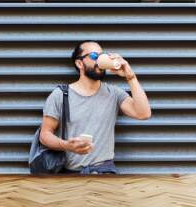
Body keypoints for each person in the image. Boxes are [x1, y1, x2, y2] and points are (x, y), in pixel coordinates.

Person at [39, 40, 151, 174]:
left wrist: (130, 77)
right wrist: (66, 145)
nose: (99, 60)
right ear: (79, 63)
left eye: (102, 55)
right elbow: (44, 135)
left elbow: (143, 113)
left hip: (104, 171)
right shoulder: (60, 95)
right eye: (94, 56)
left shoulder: (114, 93)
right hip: (71, 174)